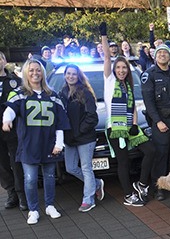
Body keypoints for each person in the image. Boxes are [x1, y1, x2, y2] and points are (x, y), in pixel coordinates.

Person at [3, 59, 70, 224]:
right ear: (26, 72)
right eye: (31, 70)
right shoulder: (20, 93)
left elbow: (60, 122)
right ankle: (33, 209)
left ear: (43, 73)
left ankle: (49, 205)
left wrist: (59, 143)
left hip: (48, 143)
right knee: (31, 179)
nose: (35, 73)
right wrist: (7, 120)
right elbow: (10, 109)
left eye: (38, 70)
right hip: (28, 144)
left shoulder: (52, 95)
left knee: (49, 176)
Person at [100, 22, 157, 206]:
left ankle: (141, 184)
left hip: (131, 126)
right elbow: (108, 59)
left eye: (124, 68)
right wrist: (104, 36)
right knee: (123, 162)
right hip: (115, 128)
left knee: (150, 150)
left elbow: (132, 107)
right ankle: (127, 195)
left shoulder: (129, 86)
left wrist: (134, 124)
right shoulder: (109, 80)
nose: (121, 71)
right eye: (119, 68)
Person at [142, 34, 170, 202]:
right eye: (159, 53)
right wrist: (158, 121)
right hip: (160, 121)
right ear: (154, 56)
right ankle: (159, 187)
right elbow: (149, 102)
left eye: (165, 53)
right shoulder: (149, 75)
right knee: (160, 155)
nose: (162, 55)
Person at [59, 64, 104, 212]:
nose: (71, 76)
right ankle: (96, 184)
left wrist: (79, 131)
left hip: (85, 138)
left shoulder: (85, 93)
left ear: (79, 76)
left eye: (74, 74)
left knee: (86, 168)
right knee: (70, 168)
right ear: (65, 75)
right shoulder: (62, 93)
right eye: (68, 73)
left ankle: (88, 199)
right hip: (69, 139)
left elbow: (93, 117)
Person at [0, 51, 26, 210]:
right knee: (1, 164)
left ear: (5, 61)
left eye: (0, 58)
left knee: (17, 162)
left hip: (13, 128)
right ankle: (11, 193)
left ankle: (22, 194)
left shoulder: (15, 81)